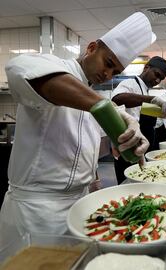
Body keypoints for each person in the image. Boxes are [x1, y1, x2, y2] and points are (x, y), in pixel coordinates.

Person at [0, 12, 155, 246]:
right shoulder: (54, 66)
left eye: (115, 72)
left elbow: (86, 148)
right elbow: (19, 69)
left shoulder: (95, 97)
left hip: (80, 207)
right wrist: (111, 109)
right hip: (35, 211)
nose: (107, 74)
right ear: (92, 48)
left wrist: (124, 139)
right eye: (108, 63)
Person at [111, 56, 166, 184]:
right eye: (156, 74)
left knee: (139, 181)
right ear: (146, 67)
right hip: (125, 145)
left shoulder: (144, 89)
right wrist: (152, 99)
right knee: (127, 183)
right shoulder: (130, 83)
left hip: (138, 146)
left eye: (161, 78)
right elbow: (117, 99)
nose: (157, 80)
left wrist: (160, 112)